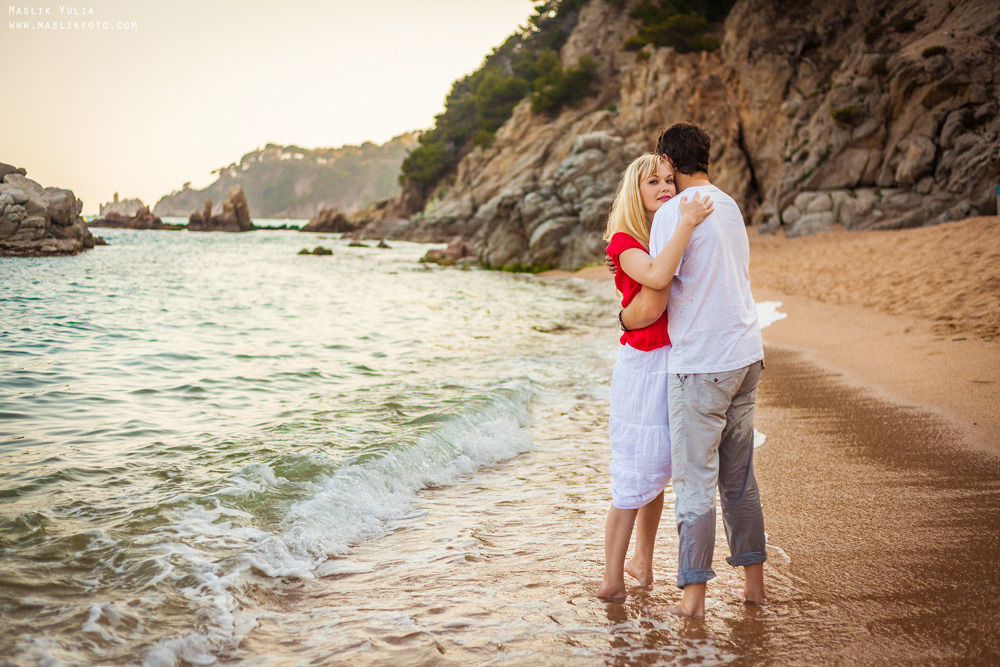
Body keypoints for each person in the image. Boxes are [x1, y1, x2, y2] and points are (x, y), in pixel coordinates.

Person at [620, 123, 767, 617]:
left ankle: (693, 599)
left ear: (667, 160)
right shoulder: (728, 205)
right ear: (705, 156)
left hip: (702, 367)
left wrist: (623, 317)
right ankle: (754, 587)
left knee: (695, 483)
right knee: (740, 480)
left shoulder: (672, 215)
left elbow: (654, 302)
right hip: (747, 356)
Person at [597, 153, 713, 602]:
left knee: (659, 471)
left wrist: (679, 225)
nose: (665, 187)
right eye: (653, 182)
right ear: (635, 191)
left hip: (677, 360)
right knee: (632, 476)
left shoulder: (659, 230)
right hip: (643, 369)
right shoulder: (625, 239)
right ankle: (612, 579)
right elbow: (658, 283)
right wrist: (686, 221)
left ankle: (643, 565)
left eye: (670, 179)